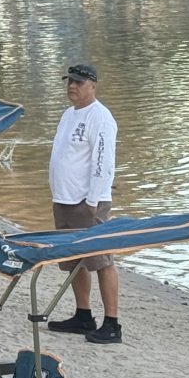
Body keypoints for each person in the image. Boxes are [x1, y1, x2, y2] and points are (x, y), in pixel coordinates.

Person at [47, 63, 121, 344]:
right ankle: (83, 314)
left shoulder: (100, 117)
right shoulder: (68, 115)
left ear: (92, 85)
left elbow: (103, 161)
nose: (72, 86)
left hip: (88, 201)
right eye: (69, 81)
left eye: (78, 82)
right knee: (73, 259)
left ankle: (112, 323)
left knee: (101, 259)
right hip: (64, 199)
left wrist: (93, 199)